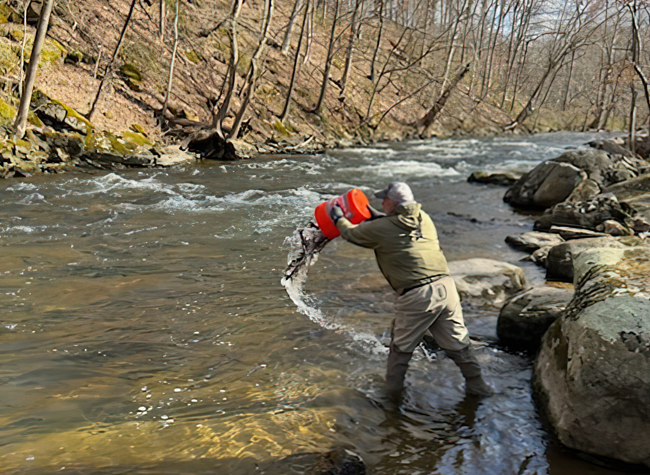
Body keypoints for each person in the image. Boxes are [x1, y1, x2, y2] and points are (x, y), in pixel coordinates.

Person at [329, 182, 492, 397]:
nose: (381, 202)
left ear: (392, 203)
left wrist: (338, 218)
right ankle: (479, 387)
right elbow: (393, 226)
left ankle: (392, 396)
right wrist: (375, 215)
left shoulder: (384, 228)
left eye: (383, 200)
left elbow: (353, 235)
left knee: (400, 348)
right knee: (457, 342)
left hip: (418, 294)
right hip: (447, 288)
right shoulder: (424, 218)